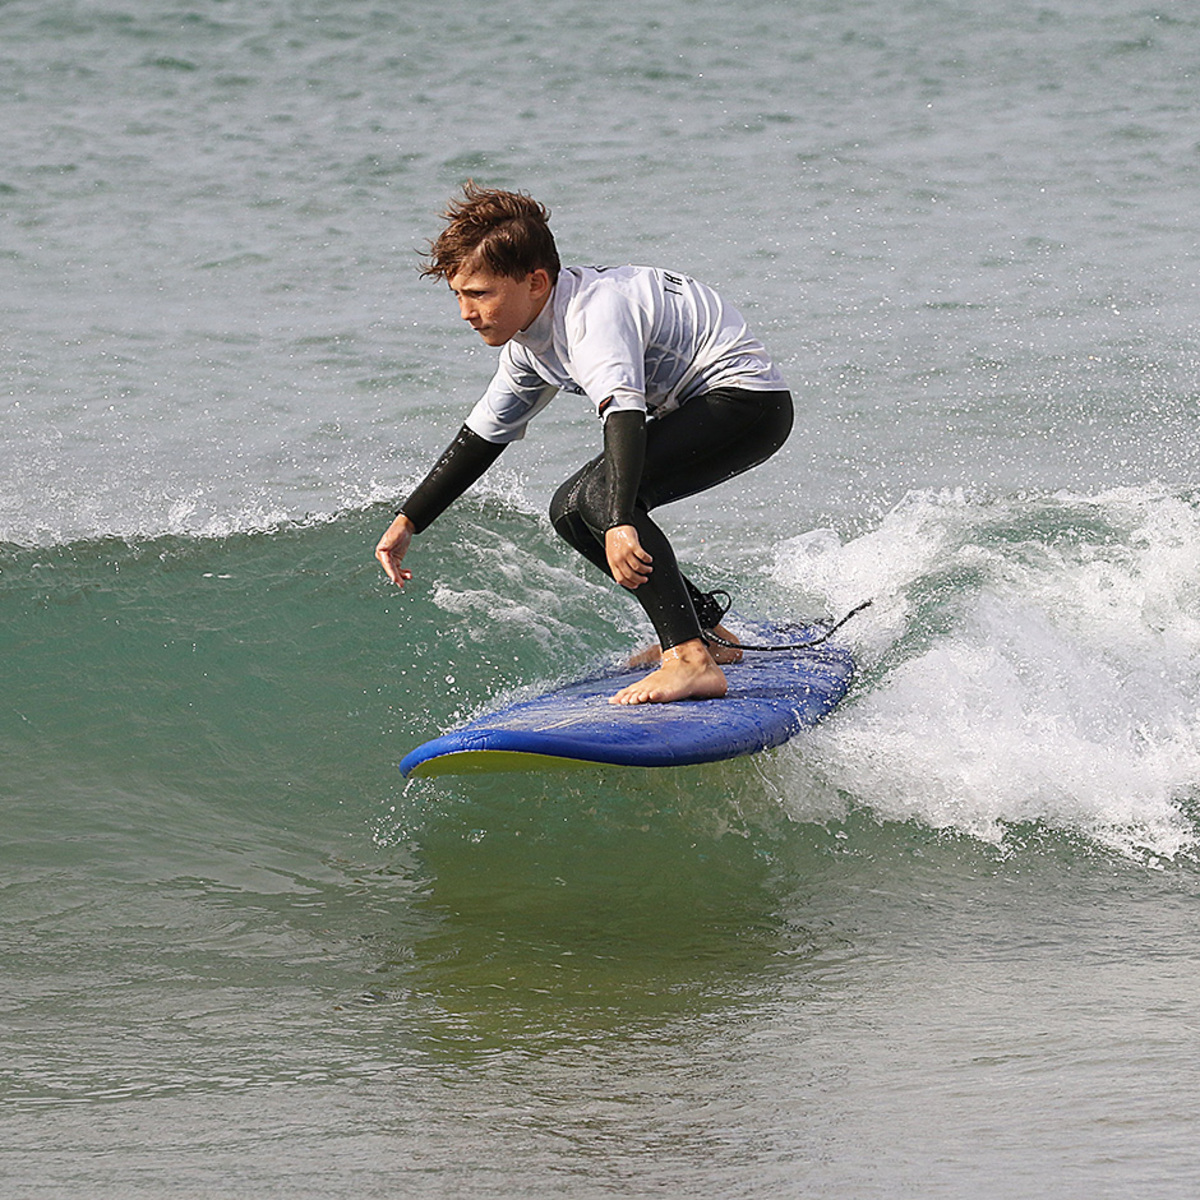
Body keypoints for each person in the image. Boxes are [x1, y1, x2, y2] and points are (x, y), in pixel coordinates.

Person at [374, 183, 793, 705]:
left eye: (479, 293)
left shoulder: (591, 315)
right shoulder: (533, 341)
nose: (465, 311)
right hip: (706, 406)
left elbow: (624, 411)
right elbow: (484, 434)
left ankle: (690, 658)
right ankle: (706, 632)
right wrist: (408, 521)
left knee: (600, 501)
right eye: (458, 295)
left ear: (535, 281)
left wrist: (619, 519)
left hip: (746, 402)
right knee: (569, 511)